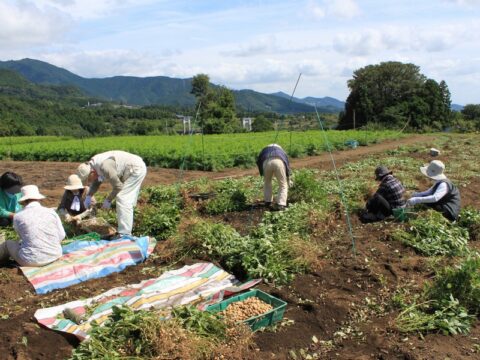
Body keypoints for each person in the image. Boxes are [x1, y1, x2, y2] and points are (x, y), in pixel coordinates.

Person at [77, 150, 147, 236]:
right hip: (129, 168)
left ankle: (125, 234)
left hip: (136, 168)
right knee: (127, 199)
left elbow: (118, 187)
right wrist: (89, 196)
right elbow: (97, 181)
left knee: (123, 198)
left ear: (91, 172)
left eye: (88, 179)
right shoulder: (93, 164)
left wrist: (108, 200)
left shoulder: (105, 166)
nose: (89, 182)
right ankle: (130, 222)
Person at [2, 185, 65, 267]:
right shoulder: (51, 212)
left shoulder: (18, 216)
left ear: (23, 201)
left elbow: (22, 237)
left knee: (8, 243)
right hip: (55, 255)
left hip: (30, 261)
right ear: (38, 199)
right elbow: (62, 235)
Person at [256, 144, 292, 211]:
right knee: (283, 184)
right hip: (279, 162)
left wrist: (262, 172)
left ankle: (268, 201)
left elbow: (259, 161)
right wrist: (288, 177)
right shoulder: (281, 151)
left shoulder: (264, 150)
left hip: (266, 162)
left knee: (267, 182)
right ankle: (281, 204)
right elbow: (287, 164)